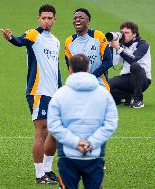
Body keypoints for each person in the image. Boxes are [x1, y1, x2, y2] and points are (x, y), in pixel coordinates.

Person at [0, 4, 61, 184]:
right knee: (41, 131)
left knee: (54, 132)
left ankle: (48, 170)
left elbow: (55, 69)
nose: (47, 21)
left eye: (50, 18)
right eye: (44, 18)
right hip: (38, 92)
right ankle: (39, 174)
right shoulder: (33, 35)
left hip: (53, 93)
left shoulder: (56, 41)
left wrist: (61, 90)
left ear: (54, 20)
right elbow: (19, 41)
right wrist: (10, 37)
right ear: (39, 19)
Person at [48, 54, 118, 189]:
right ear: (88, 68)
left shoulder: (60, 94)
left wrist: (76, 143)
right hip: (94, 154)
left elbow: (54, 125)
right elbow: (111, 123)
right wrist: (92, 143)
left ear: (70, 69)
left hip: (68, 155)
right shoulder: (104, 94)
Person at [64, 8, 112, 91]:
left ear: (88, 21)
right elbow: (70, 66)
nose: (77, 20)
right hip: (79, 85)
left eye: (81, 18)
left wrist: (91, 77)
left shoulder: (98, 36)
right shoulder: (69, 42)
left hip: (99, 85)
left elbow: (108, 62)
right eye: (75, 18)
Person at [108, 21, 151, 108]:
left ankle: (138, 100)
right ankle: (127, 97)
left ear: (134, 34)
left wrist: (118, 48)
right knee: (107, 85)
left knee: (135, 66)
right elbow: (114, 63)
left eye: (127, 33)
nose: (124, 35)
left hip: (142, 79)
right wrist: (111, 47)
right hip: (126, 78)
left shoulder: (143, 44)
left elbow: (133, 59)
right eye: (122, 33)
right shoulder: (121, 45)